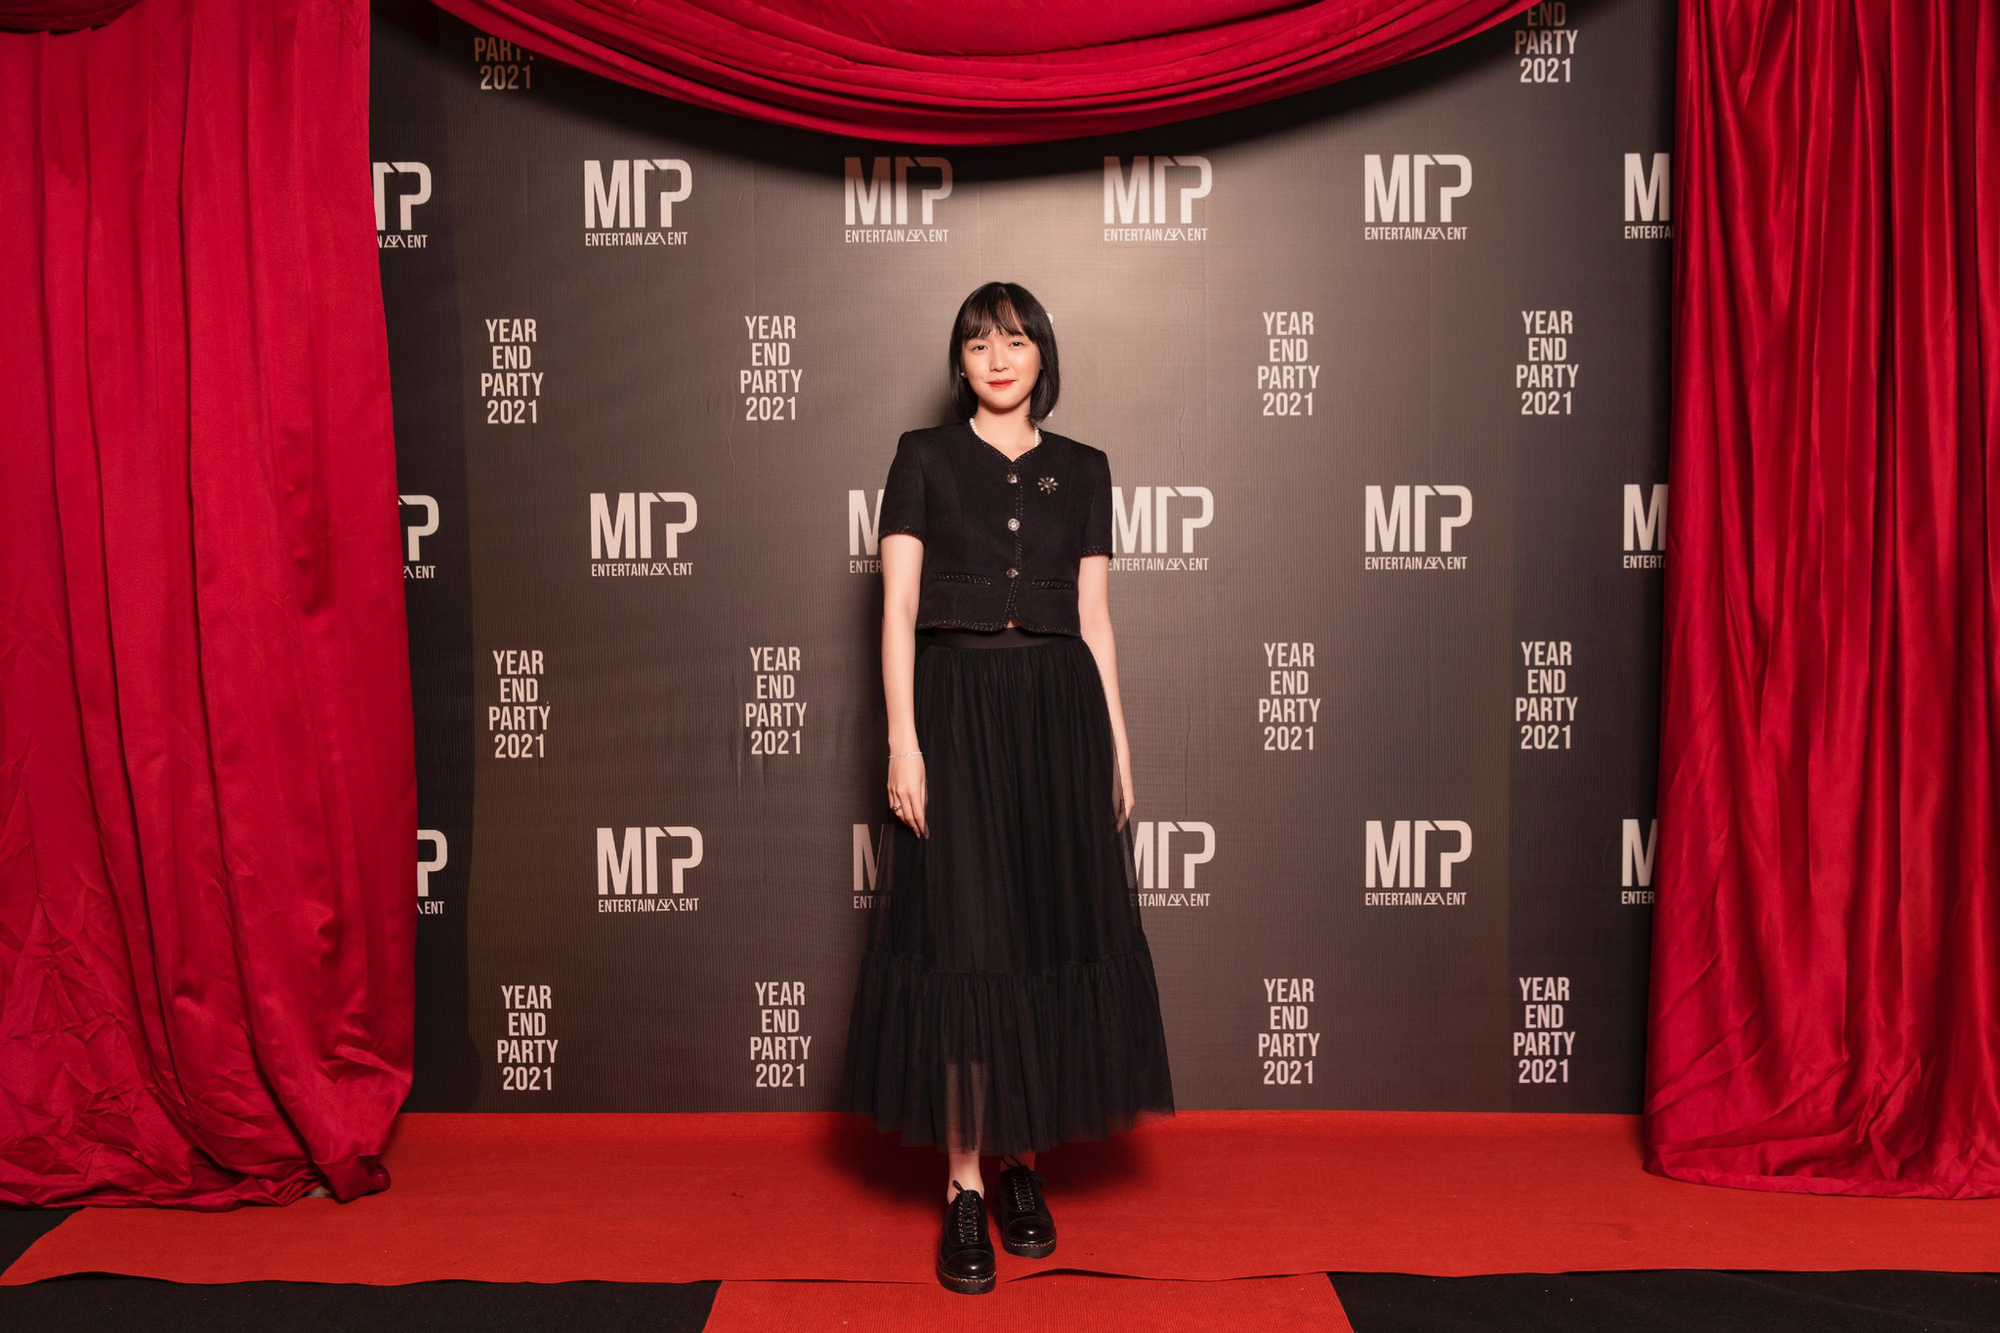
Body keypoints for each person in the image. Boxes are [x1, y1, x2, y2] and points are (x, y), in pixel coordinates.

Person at [838, 281, 1176, 1295]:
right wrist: (902, 740)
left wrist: (1117, 745)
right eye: (980, 342)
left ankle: (1024, 1162)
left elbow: (1095, 619)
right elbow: (897, 609)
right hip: (956, 714)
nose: (998, 357)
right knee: (965, 943)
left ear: (1041, 359)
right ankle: (963, 1183)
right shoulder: (922, 458)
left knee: (1039, 935)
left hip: (1059, 718)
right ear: (960, 361)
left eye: (1017, 341)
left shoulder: (1085, 468)